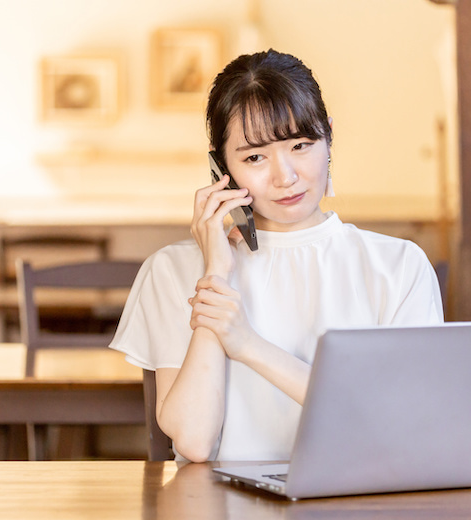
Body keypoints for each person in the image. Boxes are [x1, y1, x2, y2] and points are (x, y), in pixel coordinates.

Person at [110, 49, 443, 463]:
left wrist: (247, 343)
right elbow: (194, 442)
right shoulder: (174, 270)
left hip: (355, 508)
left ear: (329, 138)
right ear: (220, 169)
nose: (285, 176)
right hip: (219, 516)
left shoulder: (398, 266)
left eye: (301, 145)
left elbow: (396, 424)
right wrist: (216, 272)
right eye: (254, 157)